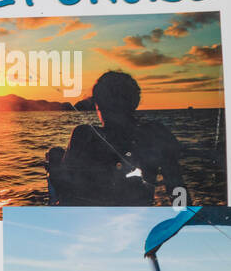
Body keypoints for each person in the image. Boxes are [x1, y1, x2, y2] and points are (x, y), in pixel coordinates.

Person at [46, 71, 187, 206]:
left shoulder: (84, 134)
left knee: (56, 155)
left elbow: (68, 191)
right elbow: (177, 187)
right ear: (135, 102)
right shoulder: (156, 133)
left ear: (97, 103)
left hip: (90, 221)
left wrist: (54, 168)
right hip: (138, 218)